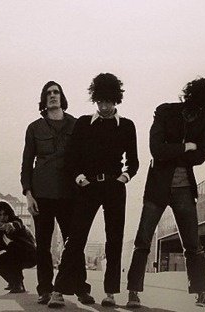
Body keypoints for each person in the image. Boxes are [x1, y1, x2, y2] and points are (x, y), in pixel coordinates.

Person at [126, 77, 205, 310]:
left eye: (204, 108)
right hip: (158, 187)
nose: (199, 112)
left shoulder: (203, 119)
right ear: (189, 99)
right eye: (197, 106)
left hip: (184, 188)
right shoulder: (165, 112)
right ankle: (133, 293)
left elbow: (201, 156)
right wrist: (185, 147)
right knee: (143, 241)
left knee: (193, 245)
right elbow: (156, 150)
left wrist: (173, 150)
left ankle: (201, 294)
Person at [48, 73, 139, 308]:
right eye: (100, 101)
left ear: (116, 99)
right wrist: (80, 178)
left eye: (108, 102)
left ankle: (110, 293)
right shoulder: (83, 123)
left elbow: (134, 162)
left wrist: (123, 178)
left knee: (114, 240)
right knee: (76, 238)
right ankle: (58, 290)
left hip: (114, 187)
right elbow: (71, 158)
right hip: (88, 187)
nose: (104, 107)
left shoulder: (127, 126)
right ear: (95, 99)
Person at [21, 82, 92, 304]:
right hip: (41, 193)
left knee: (74, 242)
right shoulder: (34, 128)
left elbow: (84, 157)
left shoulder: (76, 124)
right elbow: (26, 162)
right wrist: (28, 194)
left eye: (56, 92)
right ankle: (45, 289)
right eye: (48, 93)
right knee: (43, 244)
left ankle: (81, 287)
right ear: (44, 99)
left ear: (62, 97)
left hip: (70, 193)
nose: (52, 96)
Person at [0, 200, 36, 293]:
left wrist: (11, 225)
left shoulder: (16, 222)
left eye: (5, 214)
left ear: (10, 215)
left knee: (13, 248)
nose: (2, 217)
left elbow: (17, 224)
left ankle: (18, 284)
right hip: (15, 254)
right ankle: (13, 281)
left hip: (30, 255)